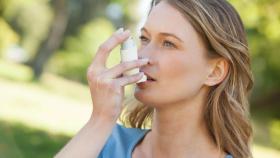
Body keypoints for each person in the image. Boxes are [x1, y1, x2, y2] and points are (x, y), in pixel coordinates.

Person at [55, 0, 254, 158]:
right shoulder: (102, 141)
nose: (142, 57)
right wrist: (100, 119)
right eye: (144, 39)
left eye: (168, 43)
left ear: (215, 72)